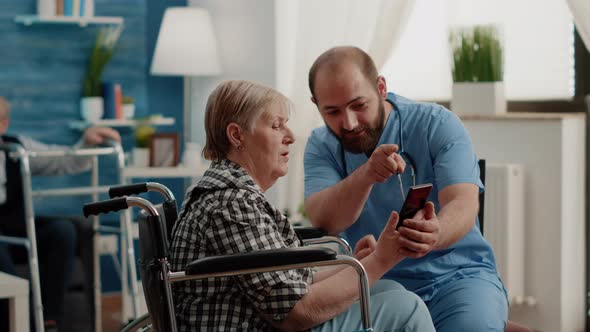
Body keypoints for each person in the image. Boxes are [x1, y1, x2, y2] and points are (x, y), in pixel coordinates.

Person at [170, 80, 435, 331]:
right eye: (276, 126)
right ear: (237, 135)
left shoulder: (230, 195)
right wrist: (381, 259)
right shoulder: (229, 203)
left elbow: (291, 280)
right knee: (406, 309)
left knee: (389, 290)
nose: (291, 136)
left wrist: (353, 263)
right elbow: (296, 311)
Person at [303, 46, 508, 331]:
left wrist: (436, 232)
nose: (348, 123)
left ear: (381, 87)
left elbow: (464, 203)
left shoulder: (437, 124)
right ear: (316, 104)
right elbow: (325, 220)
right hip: (377, 284)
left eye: (359, 105)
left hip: (457, 276)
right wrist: (366, 175)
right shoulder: (321, 146)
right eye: (333, 111)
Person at [0, 96, 121, 331]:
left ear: (3, 125)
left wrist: (86, 142)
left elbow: (61, 161)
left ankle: (50, 319)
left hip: (13, 225)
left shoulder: (16, 148)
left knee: (62, 231)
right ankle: (24, 321)